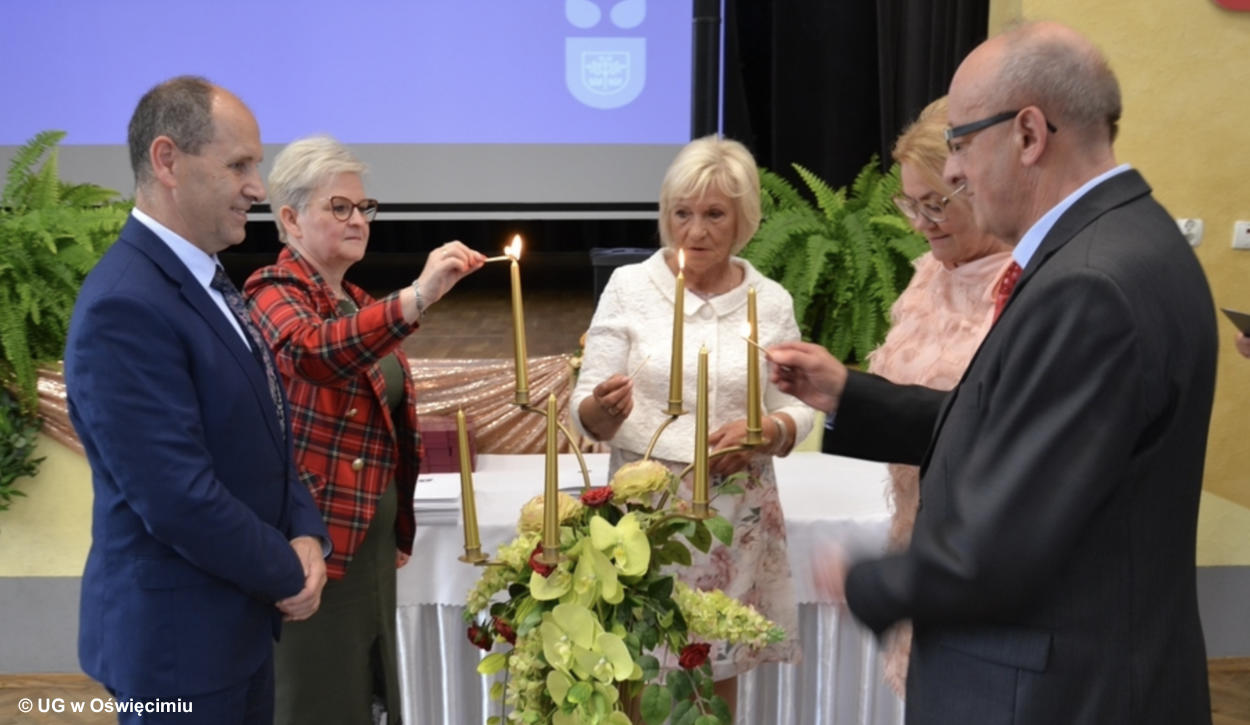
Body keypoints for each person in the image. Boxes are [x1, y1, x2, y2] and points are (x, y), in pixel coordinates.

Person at [770, 21, 1216, 725]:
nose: (951, 174)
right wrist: (850, 395)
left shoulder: (1089, 284)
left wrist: (866, 580)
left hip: (1048, 692)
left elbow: (1004, 543)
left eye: (961, 143)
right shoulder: (1134, 239)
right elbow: (1010, 421)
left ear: (1030, 134)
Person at [64, 76, 329, 724]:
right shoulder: (125, 303)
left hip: (232, 635)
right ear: (167, 161)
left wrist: (306, 532)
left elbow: (267, 425)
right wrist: (287, 567)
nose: (258, 187)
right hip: (176, 651)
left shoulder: (202, 275)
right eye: (239, 164)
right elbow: (177, 496)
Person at [242, 135, 484, 725]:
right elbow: (313, 354)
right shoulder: (271, 290)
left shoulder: (353, 299)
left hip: (369, 548)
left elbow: (386, 424)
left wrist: (396, 527)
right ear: (291, 218)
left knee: (364, 701)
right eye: (340, 207)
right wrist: (419, 296)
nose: (358, 219)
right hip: (312, 547)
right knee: (317, 701)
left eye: (364, 208)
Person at [572, 135, 814, 713]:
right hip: (640, 515)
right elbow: (586, 404)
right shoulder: (631, 288)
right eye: (682, 214)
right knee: (631, 665)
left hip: (733, 509)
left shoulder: (769, 299)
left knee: (712, 679)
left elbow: (801, 406)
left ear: (743, 220)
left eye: (713, 215)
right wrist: (601, 411)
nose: (695, 231)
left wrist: (770, 431)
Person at [870, 95, 1013, 695]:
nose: (921, 222)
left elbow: (990, 424)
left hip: (981, 548)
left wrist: (851, 399)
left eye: (937, 204)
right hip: (917, 529)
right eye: (911, 204)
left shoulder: (1022, 285)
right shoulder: (931, 271)